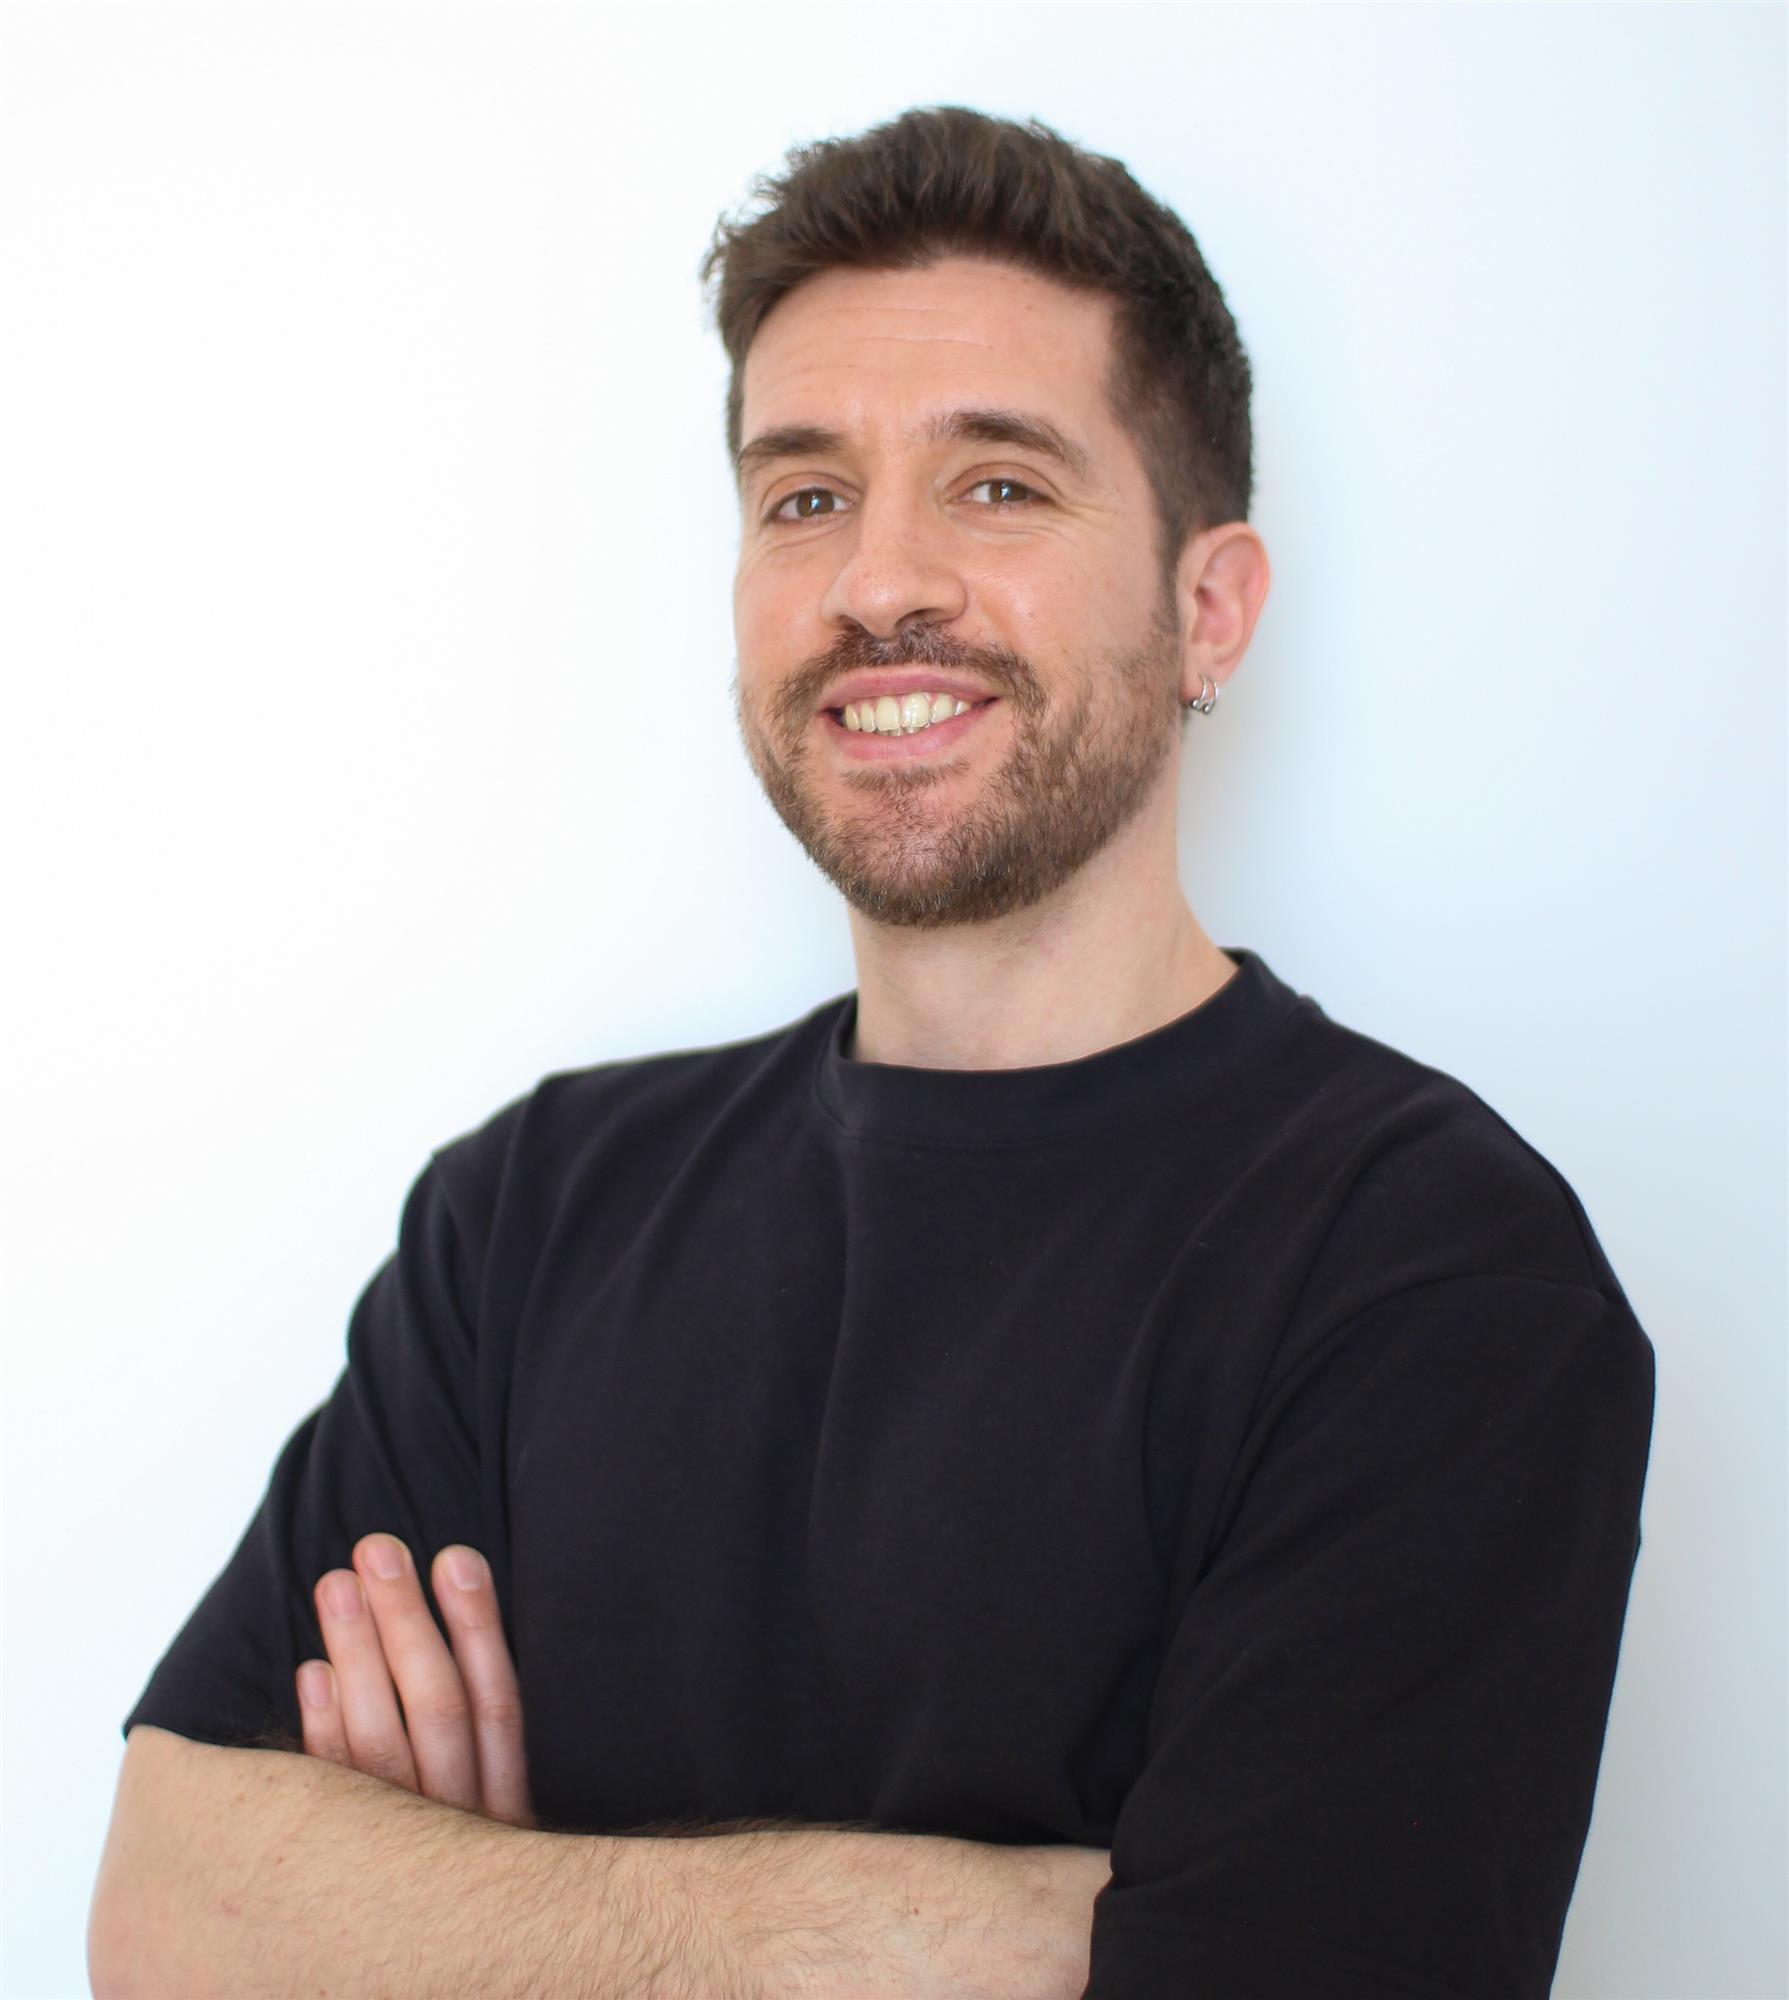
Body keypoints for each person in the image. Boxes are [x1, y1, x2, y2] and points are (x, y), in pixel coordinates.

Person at [91, 105, 1655, 1999]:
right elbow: (167, 1915)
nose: (875, 583)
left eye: (996, 485)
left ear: (1206, 608)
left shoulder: (1426, 1273)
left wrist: (457, 1915)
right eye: (803, 496)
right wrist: (968, 1927)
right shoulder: (530, 1214)